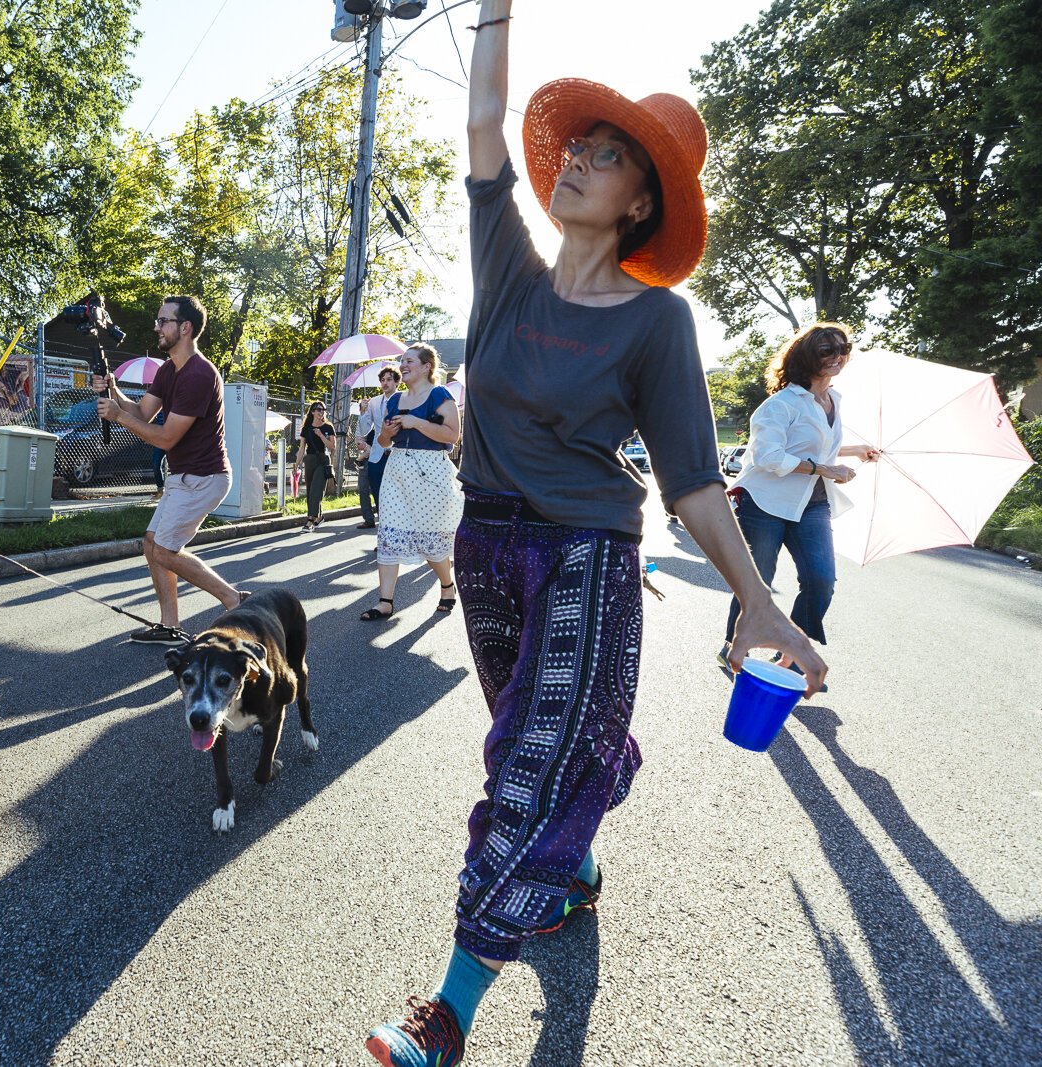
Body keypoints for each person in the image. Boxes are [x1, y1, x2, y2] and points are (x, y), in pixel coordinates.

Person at [363, 6, 826, 1065]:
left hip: (585, 557)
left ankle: (447, 1010)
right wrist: (493, 11)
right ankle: (579, 835)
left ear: (639, 200)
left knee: (523, 771)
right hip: (485, 550)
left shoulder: (657, 321)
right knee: (548, 744)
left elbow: (695, 483)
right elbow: (481, 122)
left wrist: (758, 601)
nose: (576, 160)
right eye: (578, 145)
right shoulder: (510, 268)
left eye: (606, 156)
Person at [719, 323, 880, 681]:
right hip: (765, 503)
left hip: (812, 504)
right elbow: (768, 457)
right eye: (827, 350)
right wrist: (826, 468)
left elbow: (818, 446)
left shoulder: (834, 400)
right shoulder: (779, 405)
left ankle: (789, 653)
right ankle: (733, 646)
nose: (838, 356)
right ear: (807, 356)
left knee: (821, 580)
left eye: (844, 348)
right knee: (757, 581)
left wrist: (856, 451)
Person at [96, 294, 246, 644]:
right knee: (151, 544)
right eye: (158, 321)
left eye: (163, 321)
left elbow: (165, 438)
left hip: (205, 478)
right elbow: (143, 414)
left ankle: (233, 599)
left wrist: (116, 416)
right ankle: (169, 625)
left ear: (185, 327)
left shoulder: (199, 374)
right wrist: (115, 392)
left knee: (165, 550)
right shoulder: (168, 370)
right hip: (182, 476)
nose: (156, 327)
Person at [355, 344, 462, 621]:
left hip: (431, 471)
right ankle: (385, 601)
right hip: (397, 470)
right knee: (389, 534)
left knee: (429, 539)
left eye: (409, 361)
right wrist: (387, 434)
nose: (403, 365)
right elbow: (382, 441)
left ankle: (447, 586)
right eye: (402, 360)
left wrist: (417, 423)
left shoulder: (439, 394)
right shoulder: (394, 400)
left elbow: (452, 435)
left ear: (427, 366)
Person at [354, 365, 402, 529]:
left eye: (389, 379)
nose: (385, 383)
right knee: (379, 496)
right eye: (382, 380)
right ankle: (384, 537)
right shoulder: (373, 402)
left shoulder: (404, 399)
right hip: (377, 455)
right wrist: (363, 412)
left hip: (398, 454)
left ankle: (396, 533)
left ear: (396, 382)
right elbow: (366, 429)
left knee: (395, 497)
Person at [294, 400, 336, 530]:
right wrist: (296, 464)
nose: (321, 411)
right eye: (318, 409)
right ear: (312, 412)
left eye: (323, 409)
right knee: (311, 490)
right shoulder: (306, 429)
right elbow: (302, 448)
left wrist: (321, 435)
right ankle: (319, 516)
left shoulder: (328, 427)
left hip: (323, 460)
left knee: (317, 488)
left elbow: (332, 446)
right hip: (310, 460)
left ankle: (310, 520)